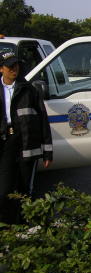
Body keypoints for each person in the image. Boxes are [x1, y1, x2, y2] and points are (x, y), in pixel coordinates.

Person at [0, 50, 53, 224]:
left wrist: (47, 151)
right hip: (5, 143)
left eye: (17, 65)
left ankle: (23, 227)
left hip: (26, 144)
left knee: (24, 190)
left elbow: (43, 120)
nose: (14, 69)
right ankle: (7, 227)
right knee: (5, 190)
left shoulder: (29, 90)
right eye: (10, 66)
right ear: (1, 69)